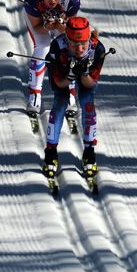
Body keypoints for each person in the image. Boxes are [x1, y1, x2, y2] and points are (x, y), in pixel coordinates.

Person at [42, 16, 106, 179]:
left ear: (89, 40)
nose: (79, 49)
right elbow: (58, 84)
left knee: (88, 105)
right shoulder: (58, 47)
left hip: (86, 77)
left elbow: (90, 84)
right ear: (67, 39)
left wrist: (84, 72)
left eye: (83, 44)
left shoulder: (97, 49)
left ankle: (89, 152)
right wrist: (70, 76)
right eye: (74, 44)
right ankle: (50, 153)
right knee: (59, 105)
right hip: (63, 74)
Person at [23, 0, 81, 116]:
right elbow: (37, 28)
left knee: (68, 47)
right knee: (43, 45)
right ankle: (34, 95)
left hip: (62, 22)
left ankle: (69, 93)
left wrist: (61, 26)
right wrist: (47, 25)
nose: (52, 0)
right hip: (40, 21)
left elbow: (71, 31)